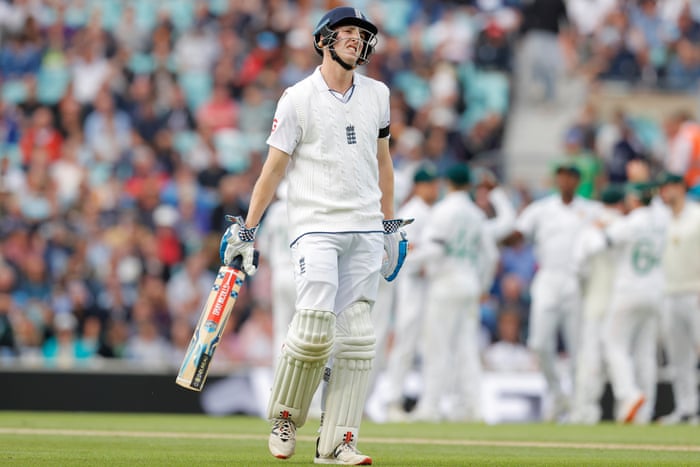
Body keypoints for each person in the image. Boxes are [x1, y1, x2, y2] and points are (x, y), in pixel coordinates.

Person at [220, 7, 408, 465]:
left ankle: (338, 440)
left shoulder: (378, 94)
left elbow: (383, 163)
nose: (356, 40)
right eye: (346, 33)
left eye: (362, 35)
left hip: (364, 226)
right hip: (316, 226)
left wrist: (388, 223)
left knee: (358, 338)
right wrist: (248, 227)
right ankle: (286, 416)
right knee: (313, 329)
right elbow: (273, 170)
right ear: (323, 40)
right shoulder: (297, 98)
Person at [508, 161, 602, 422]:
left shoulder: (590, 210)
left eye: (570, 177)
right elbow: (517, 233)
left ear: (577, 181)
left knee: (576, 347)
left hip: (576, 280)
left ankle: (578, 404)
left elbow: (612, 222)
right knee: (539, 343)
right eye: (560, 177)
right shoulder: (541, 210)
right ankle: (558, 395)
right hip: (547, 278)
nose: (565, 182)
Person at [410, 164, 498, 422]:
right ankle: (473, 407)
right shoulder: (476, 214)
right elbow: (490, 255)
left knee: (437, 347)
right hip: (469, 283)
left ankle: (430, 407)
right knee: (467, 348)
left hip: (446, 283)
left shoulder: (442, 211)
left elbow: (435, 250)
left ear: (448, 183)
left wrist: (405, 260)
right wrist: (483, 285)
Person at [587, 183, 667, 424]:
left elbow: (598, 244)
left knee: (612, 344)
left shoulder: (631, 223)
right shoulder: (661, 221)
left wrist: (600, 227)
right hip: (655, 292)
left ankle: (628, 394)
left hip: (629, 289)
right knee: (645, 352)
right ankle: (646, 410)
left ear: (634, 199)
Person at [383, 164, 440, 422]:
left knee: (431, 347)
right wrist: (426, 257)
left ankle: (429, 403)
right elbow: (402, 253)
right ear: (418, 186)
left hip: (433, 287)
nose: (433, 189)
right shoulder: (409, 213)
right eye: (429, 184)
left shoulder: (437, 212)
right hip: (411, 287)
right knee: (405, 344)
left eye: (435, 184)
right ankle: (393, 400)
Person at [570, 185, 625, 424]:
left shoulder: (592, 229)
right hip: (622, 300)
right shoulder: (628, 225)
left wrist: (584, 290)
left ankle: (586, 410)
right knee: (621, 353)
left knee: (591, 355)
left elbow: (578, 264)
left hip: (596, 298)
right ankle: (628, 407)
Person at [657, 172, 700, 425]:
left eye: (668, 188)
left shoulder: (697, 216)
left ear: (679, 188)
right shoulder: (662, 220)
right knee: (678, 357)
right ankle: (687, 409)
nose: (664, 193)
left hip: (695, 293)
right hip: (669, 294)